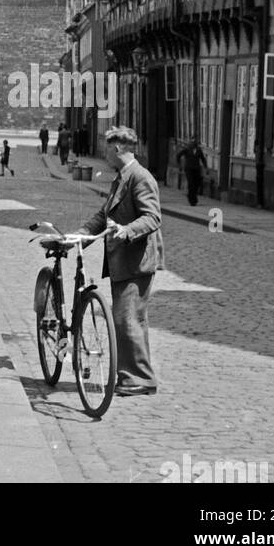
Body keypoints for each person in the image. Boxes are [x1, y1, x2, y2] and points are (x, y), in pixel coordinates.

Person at [77, 125, 163, 396]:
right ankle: (132, 375)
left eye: (106, 148)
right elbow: (104, 215)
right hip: (123, 259)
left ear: (117, 149)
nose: (103, 153)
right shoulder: (122, 177)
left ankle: (139, 379)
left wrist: (127, 231)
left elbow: (152, 217)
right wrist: (80, 236)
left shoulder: (140, 177)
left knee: (126, 319)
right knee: (127, 319)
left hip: (136, 259)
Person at [177, 139, 208, 206]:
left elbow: (202, 159)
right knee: (191, 183)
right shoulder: (187, 149)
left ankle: (193, 196)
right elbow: (178, 155)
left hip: (196, 169)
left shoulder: (199, 150)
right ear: (190, 144)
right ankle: (192, 200)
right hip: (189, 169)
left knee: (196, 184)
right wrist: (179, 164)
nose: (194, 144)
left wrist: (206, 167)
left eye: (195, 143)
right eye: (192, 143)